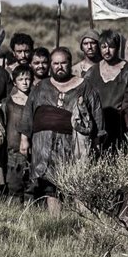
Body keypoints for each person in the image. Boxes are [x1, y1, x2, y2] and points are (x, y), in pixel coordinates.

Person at [21, 48, 103, 214]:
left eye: (63, 63)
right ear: (51, 65)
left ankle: (82, 221)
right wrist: (24, 139)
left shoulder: (84, 86)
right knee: (51, 185)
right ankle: (55, 221)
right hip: (44, 145)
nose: (59, 67)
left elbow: (96, 115)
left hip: (74, 144)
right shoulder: (41, 87)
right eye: (56, 63)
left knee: (78, 182)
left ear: (70, 63)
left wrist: (97, 142)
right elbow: (29, 112)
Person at [84, 30, 128, 151]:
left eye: (111, 47)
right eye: (103, 47)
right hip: (97, 125)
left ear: (118, 48)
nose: (107, 51)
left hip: (120, 125)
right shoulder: (92, 72)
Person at [4, 64, 33, 200]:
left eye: (27, 79)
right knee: (14, 185)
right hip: (13, 149)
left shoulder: (35, 100)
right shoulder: (8, 103)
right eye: (21, 79)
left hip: (33, 150)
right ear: (15, 82)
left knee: (32, 186)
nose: (25, 82)